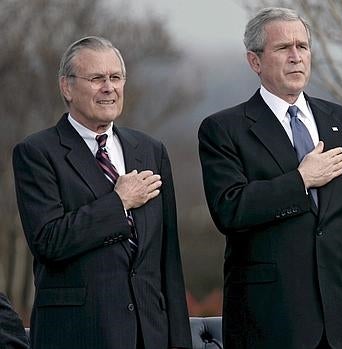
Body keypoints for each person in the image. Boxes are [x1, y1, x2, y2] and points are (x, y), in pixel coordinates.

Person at [198, 7, 342, 349]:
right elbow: (230, 210)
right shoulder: (224, 129)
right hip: (270, 319)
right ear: (255, 62)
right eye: (283, 48)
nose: (296, 57)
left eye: (302, 47)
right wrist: (300, 180)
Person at [12, 36, 191, 349]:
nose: (109, 87)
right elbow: (49, 241)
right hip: (78, 335)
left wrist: (179, 342)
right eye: (96, 78)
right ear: (66, 87)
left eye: (115, 77)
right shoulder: (36, 153)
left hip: (150, 335)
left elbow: (168, 260)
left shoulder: (150, 150)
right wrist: (118, 202)